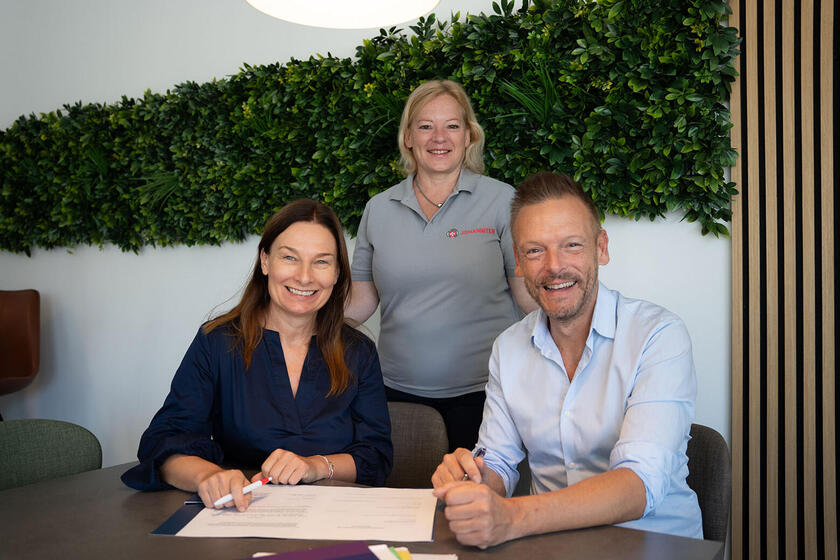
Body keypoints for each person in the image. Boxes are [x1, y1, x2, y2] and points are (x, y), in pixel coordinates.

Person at [431, 171, 703, 547]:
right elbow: (498, 462)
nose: (554, 266)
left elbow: (641, 482)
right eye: (534, 250)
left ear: (601, 248)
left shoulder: (659, 336)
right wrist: (472, 479)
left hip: (655, 546)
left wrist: (512, 517)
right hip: (551, 546)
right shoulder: (508, 348)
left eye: (571, 245)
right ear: (519, 262)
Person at [122, 199, 393, 511]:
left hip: (335, 518)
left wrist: (316, 466)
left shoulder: (359, 351)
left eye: (321, 262)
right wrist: (208, 476)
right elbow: (164, 442)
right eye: (290, 258)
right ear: (265, 261)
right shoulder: (217, 342)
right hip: (241, 513)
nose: (305, 277)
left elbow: (376, 456)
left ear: (336, 274)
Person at [346, 80, 537, 452]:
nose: (439, 137)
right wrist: (297, 322)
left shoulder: (502, 201)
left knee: (476, 502)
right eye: (425, 125)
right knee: (401, 504)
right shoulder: (379, 209)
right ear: (407, 137)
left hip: (487, 393)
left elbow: (527, 296)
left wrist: (585, 325)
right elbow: (361, 301)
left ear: (469, 136)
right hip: (394, 394)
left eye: (452, 125)